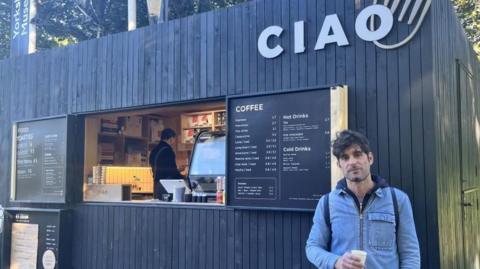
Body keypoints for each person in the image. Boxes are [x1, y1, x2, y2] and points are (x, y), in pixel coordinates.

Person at [306, 130, 420, 269]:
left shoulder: (398, 200)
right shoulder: (327, 203)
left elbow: (410, 254)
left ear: (370, 158)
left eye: (357, 154)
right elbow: (312, 247)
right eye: (345, 157)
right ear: (339, 165)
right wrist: (336, 262)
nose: (352, 162)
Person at [149, 128, 184, 199]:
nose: (174, 142)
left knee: (158, 205)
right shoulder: (168, 151)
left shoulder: (154, 150)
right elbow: (172, 171)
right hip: (167, 186)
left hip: (157, 184)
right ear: (170, 139)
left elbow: (161, 167)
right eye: (174, 139)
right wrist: (183, 178)